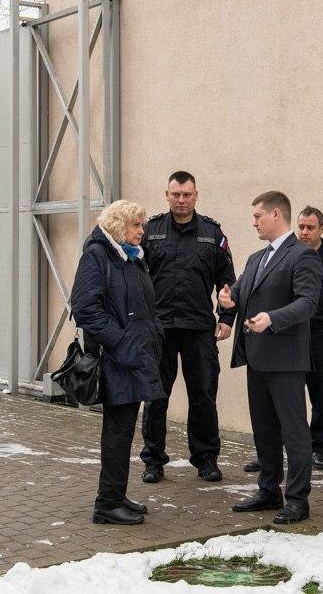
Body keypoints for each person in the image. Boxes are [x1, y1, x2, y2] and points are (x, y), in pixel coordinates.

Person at [218, 191, 322, 524]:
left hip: (286, 360)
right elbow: (238, 295)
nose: (254, 223)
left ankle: (297, 499)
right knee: (264, 430)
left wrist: (272, 319)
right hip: (257, 357)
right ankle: (268, 490)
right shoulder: (255, 259)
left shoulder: (302, 255)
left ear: (276, 214)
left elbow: (308, 303)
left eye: (257, 216)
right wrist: (228, 301)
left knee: (294, 431)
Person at [241, 206, 323, 473]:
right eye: (301, 227)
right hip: (290, 335)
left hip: (319, 336)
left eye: (311, 228)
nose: (305, 232)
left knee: (319, 393)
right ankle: (271, 452)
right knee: (280, 396)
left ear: (322, 229)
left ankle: (317, 448)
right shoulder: (287, 256)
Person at [71, 200, 166, 525]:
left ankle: (116, 495)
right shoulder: (98, 256)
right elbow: (85, 309)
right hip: (117, 360)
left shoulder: (130, 257)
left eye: (142, 225)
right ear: (118, 226)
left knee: (123, 432)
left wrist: (151, 339)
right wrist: (122, 341)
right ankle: (107, 504)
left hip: (134, 358)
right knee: (117, 432)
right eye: (136, 225)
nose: (142, 231)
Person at [139, 171, 236, 484]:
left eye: (187, 195)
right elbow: (135, 277)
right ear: (167, 195)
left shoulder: (212, 233)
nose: (181, 200)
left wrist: (226, 318)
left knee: (203, 395)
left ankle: (206, 459)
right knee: (155, 397)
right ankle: (153, 461)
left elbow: (227, 282)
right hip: (159, 329)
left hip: (198, 328)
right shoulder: (150, 231)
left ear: (196, 196)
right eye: (176, 195)